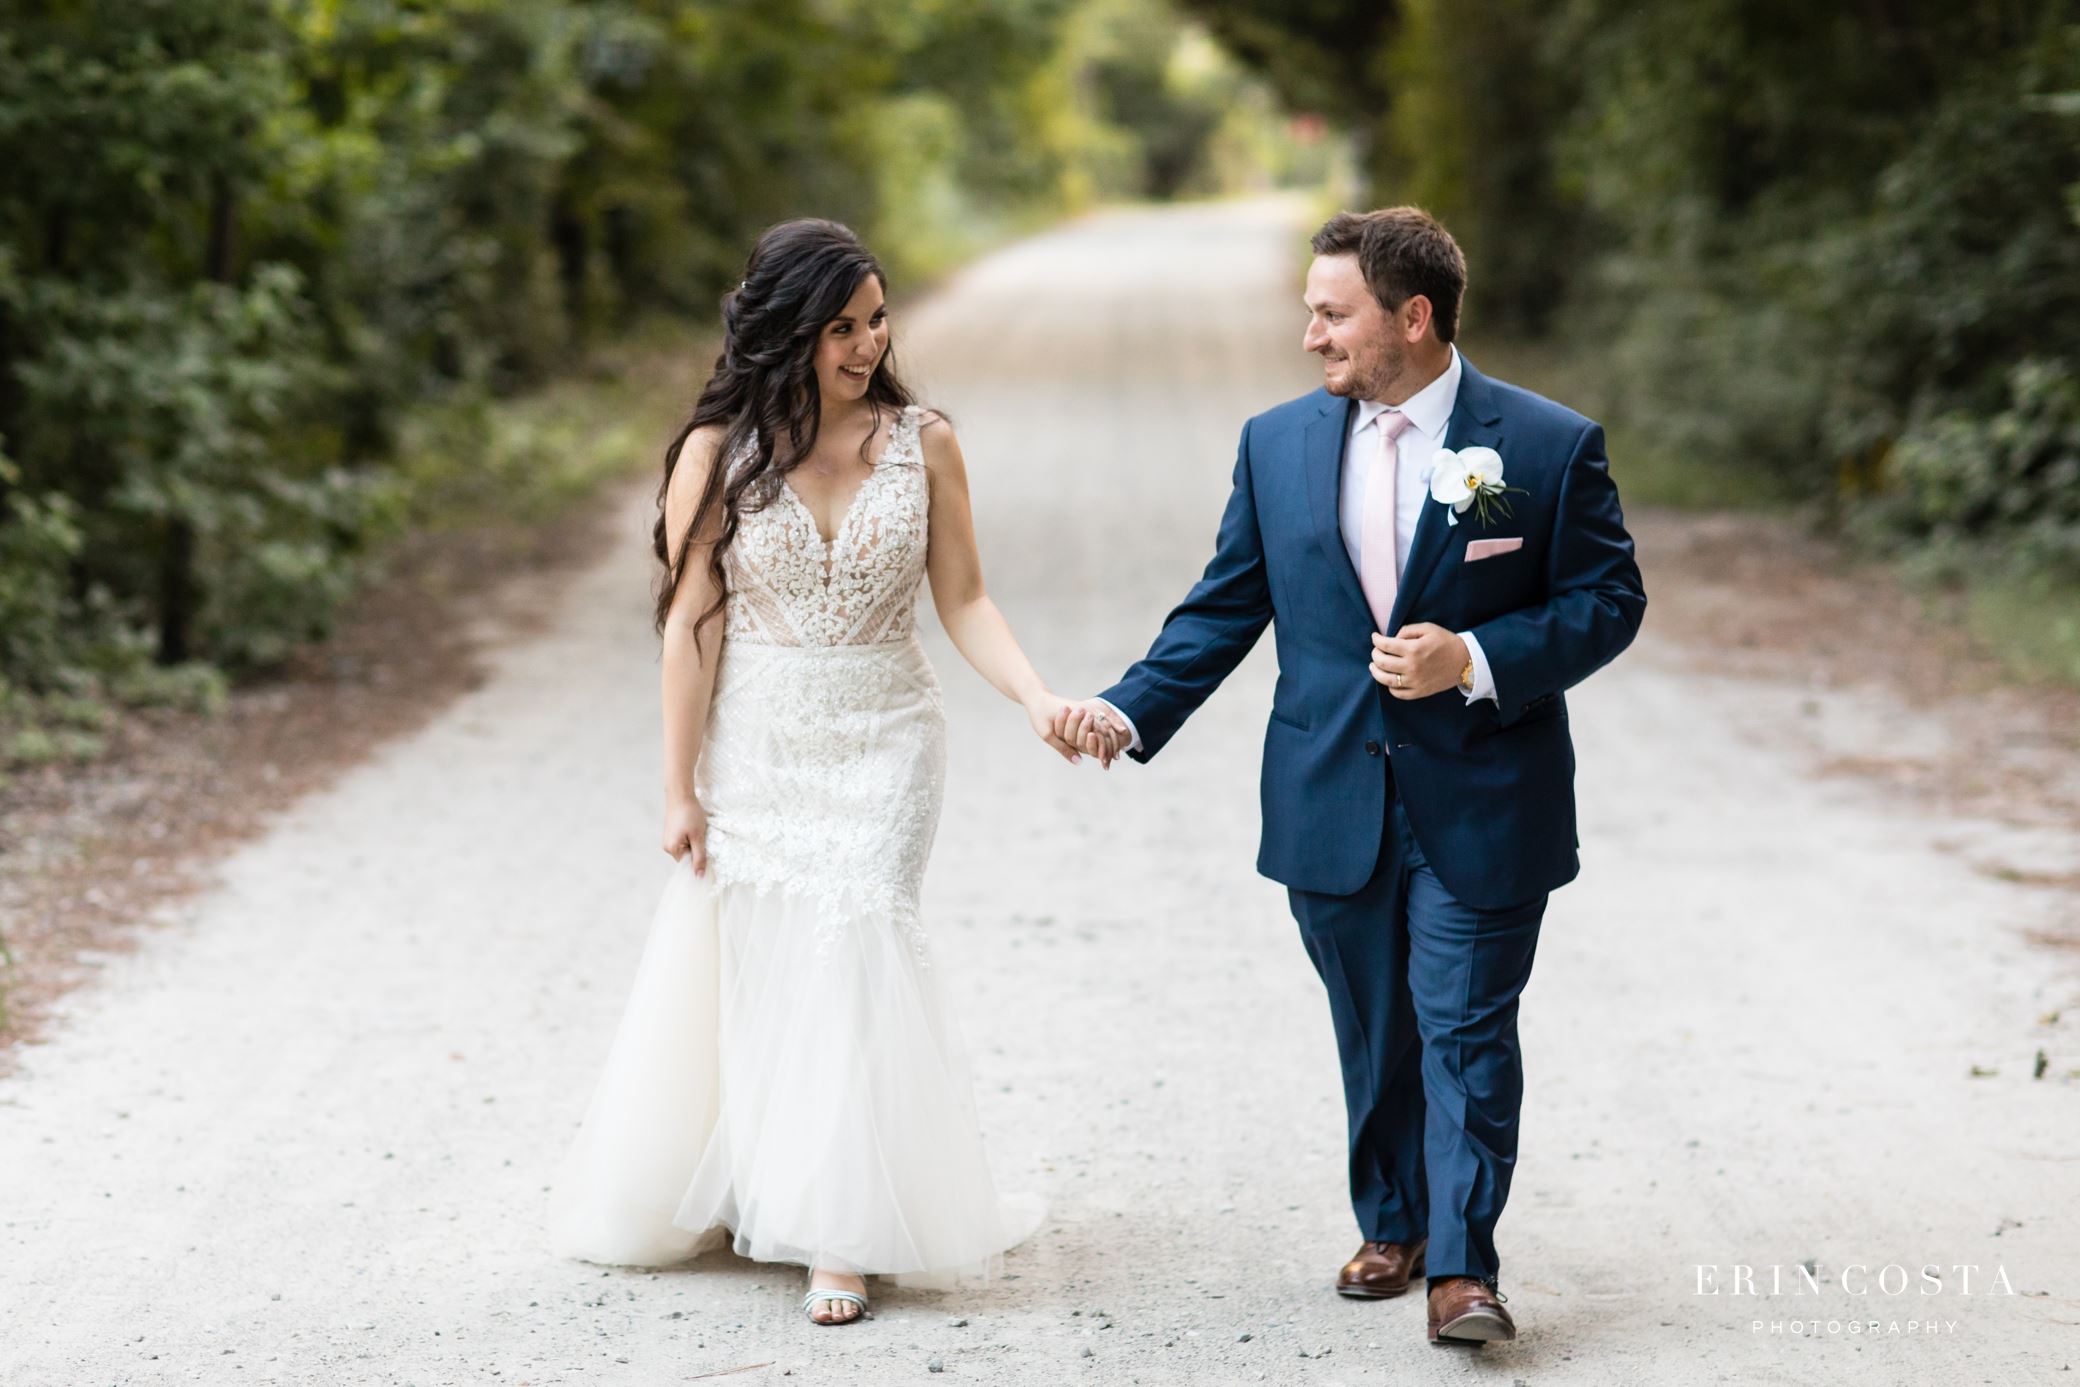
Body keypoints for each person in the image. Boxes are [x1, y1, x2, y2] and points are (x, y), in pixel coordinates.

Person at [1056, 207, 1646, 1346]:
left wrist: (1473, 657)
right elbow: (1227, 603)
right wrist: (1128, 711)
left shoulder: (1543, 444)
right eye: (1310, 313)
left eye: (1332, 314)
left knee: (1465, 1025)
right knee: (1374, 1028)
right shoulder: (1275, 444)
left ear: (1411, 317)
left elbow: (1607, 603)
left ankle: (1464, 1271)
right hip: (1330, 792)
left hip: (1483, 794)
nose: (1311, 336)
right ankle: (1396, 1221)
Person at [547, 217, 1072, 1326]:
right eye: (840, 326)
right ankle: (760, 1182)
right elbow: (692, 617)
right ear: (787, 330)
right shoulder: (717, 454)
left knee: (858, 931)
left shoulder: (925, 440)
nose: (866, 344)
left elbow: (964, 599)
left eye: (877, 320)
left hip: (889, 731)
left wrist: (1032, 697)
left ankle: (841, 1228)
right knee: (771, 958)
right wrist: (677, 786)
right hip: (765, 734)